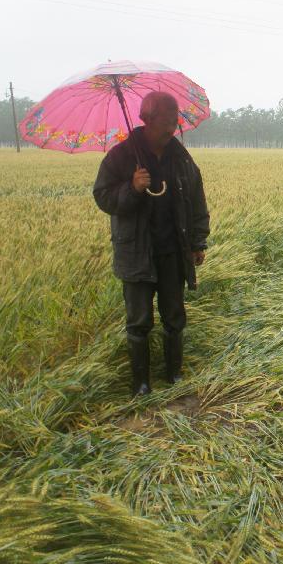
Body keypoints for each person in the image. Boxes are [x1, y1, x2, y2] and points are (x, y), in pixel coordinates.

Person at [93, 91, 210, 397]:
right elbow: (103, 197)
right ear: (146, 119)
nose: (172, 128)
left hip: (173, 251)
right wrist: (131, 188)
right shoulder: (120, 157)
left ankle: (173, 374)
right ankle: (141, 383)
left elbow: (196, 199)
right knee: (139, 321)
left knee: (174, 316)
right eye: (166, 122)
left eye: (175, 121)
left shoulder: (181, 156)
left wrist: (198, 242)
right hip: (136, 254)